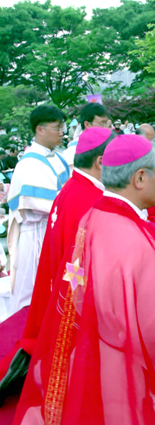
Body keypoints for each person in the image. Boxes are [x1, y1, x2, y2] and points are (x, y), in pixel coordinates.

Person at [13, 134, 155, 425]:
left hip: (92, 349)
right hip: (126, 363)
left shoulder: (92, 215)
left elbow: (77, 281)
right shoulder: (137, 237)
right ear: (140, 178)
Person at [0, 127, 115, 404]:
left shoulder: (75, 186)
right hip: (73, 282)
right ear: (100, 161)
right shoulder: (88, 198)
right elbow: (82, 260)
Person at [7, 105, 70, 314]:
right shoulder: (30, 163)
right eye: (57, 128)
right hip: (36, 235)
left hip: (53, 231)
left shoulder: (57, 157)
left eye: (62, 127)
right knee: (31, 293)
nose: (62, 133)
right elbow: (45, 203)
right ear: (40, 129)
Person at [63, 102, 109, 168]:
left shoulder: (104, 146)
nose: (106, 129)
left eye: (106, 124)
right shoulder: (73, 151)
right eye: (101, 124)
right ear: (87, 124)